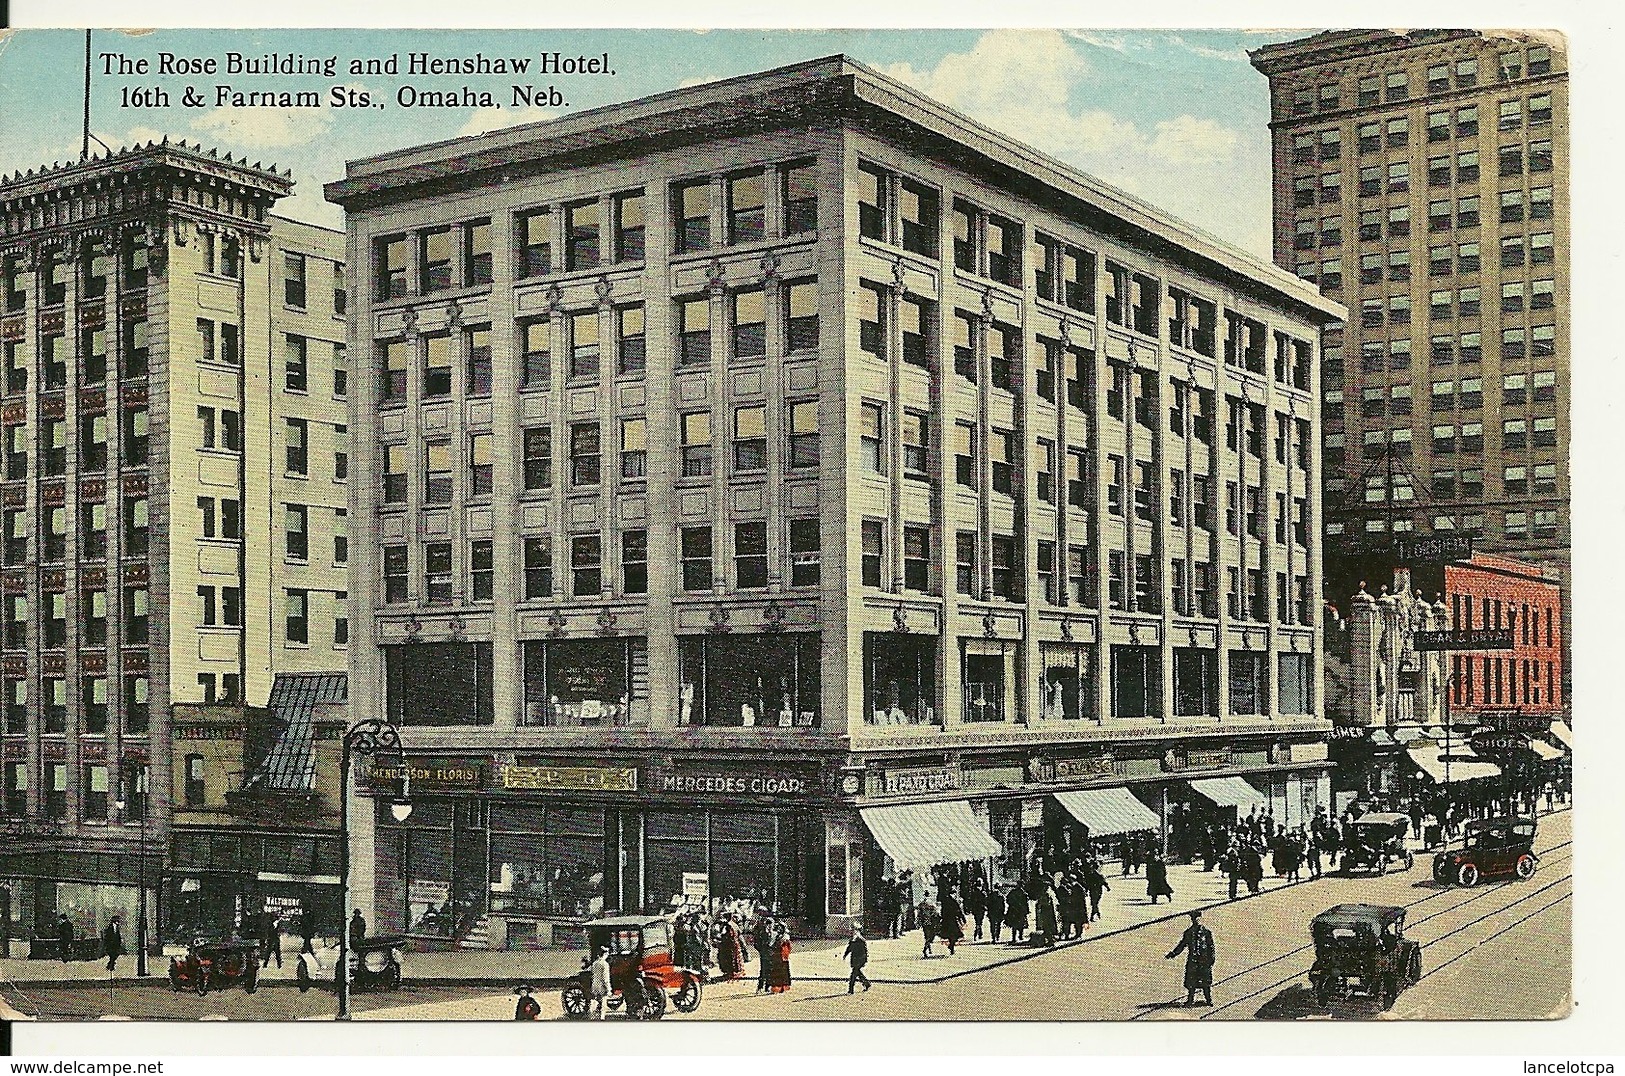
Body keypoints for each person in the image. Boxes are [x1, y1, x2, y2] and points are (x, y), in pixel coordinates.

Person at [1165, 910, 1216, 1007]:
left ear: (1201, 919)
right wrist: (1173, 954)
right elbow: (1182, 945)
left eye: (1197, 918)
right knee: (1191, 982)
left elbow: (1211, 947)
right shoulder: (1188, 933)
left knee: (1206, 983)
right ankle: (1190, 1000)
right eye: (1194, 919)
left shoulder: (1207, 932)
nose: (1196, 920)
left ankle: (1209, 1000)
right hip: (1193, 961)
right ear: (1192, 920)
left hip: (1204, 961)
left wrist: (1212, 959)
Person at [716, 914, 746, 982]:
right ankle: (736, 972)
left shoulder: (727, 926)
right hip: (735, 943)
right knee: (735, 957)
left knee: (729, 958)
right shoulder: (734, 925)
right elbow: (739, 934)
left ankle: (731, 973)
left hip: (728, 944)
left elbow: (724, 935)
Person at [843, 926, 871, 994]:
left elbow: (865, 951)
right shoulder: (853, 939)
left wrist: (864, 959)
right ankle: (866, 983)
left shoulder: (860, 940)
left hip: (860, 959)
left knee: (853, 974)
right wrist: (845, 954)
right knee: (857, 973)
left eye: (853, 931)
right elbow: (849, 948)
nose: (852, 932)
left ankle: (851, 989)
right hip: (855, 959)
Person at [939, 888, 965, 955]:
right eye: (953, 893)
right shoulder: (953, 902)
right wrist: (962, 918)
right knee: (954, 935)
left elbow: (942, 911)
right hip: (952, 920)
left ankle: (951, 946)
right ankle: (951, 947)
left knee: (950, 935)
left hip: (947, 920)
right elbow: (958, 911)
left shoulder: (945, 901)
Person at [767, 925, 792, 994]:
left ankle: (783, 987)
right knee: (777, 973)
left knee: (783, 973)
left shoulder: (785, 937)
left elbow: (788, 948)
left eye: (780, 928)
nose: (779, 930)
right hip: (777, 957)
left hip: (783, 957)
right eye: (778, 928)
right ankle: (777, 988)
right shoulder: (776, 936)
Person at [588, 946, 611, 1020]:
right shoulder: (605, 964)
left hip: (594, 985)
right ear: (605, 954)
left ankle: (593, 1017)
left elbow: (592, 975)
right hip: (602, 987)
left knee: (595, 1002)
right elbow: (605, 978)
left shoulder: (595, 963)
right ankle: (601, 1019)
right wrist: (608, 989)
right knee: (603, 1005)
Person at [964, 876, 988, 942]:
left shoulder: (973, 893)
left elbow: (971, 901)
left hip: (975, 909)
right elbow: (985, 901)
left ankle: (979, 933)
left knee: (978, 922)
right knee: (979, 922)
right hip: (981, 909)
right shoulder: (983, 893)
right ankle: (976, 934)